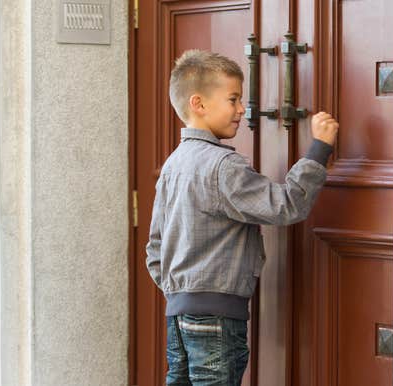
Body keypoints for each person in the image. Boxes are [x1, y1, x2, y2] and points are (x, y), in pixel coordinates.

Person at [145, 49, 339, 385]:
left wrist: (180, 293)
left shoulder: (173, 165)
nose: (241, 110)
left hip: (177, 312)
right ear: (198, 103)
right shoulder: (224, 166)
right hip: (217, 316)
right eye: (233, 99)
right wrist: (319, 147)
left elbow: (155, 248)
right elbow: (286, 205)